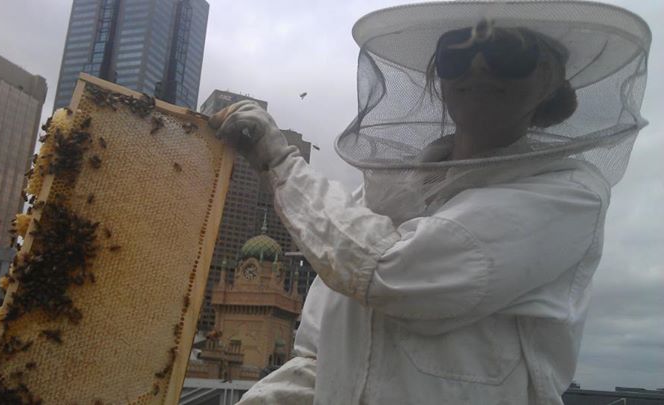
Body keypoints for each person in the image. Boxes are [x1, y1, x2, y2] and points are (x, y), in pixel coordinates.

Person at [208, 1, 651, 404]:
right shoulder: (378, 200)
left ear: (549, 79)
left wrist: (281, 162)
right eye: (456, 54)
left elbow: (390, 270)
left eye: (508, 54)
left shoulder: (567, 197)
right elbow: (319, 359)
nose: (477, 65)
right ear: (440, 77)